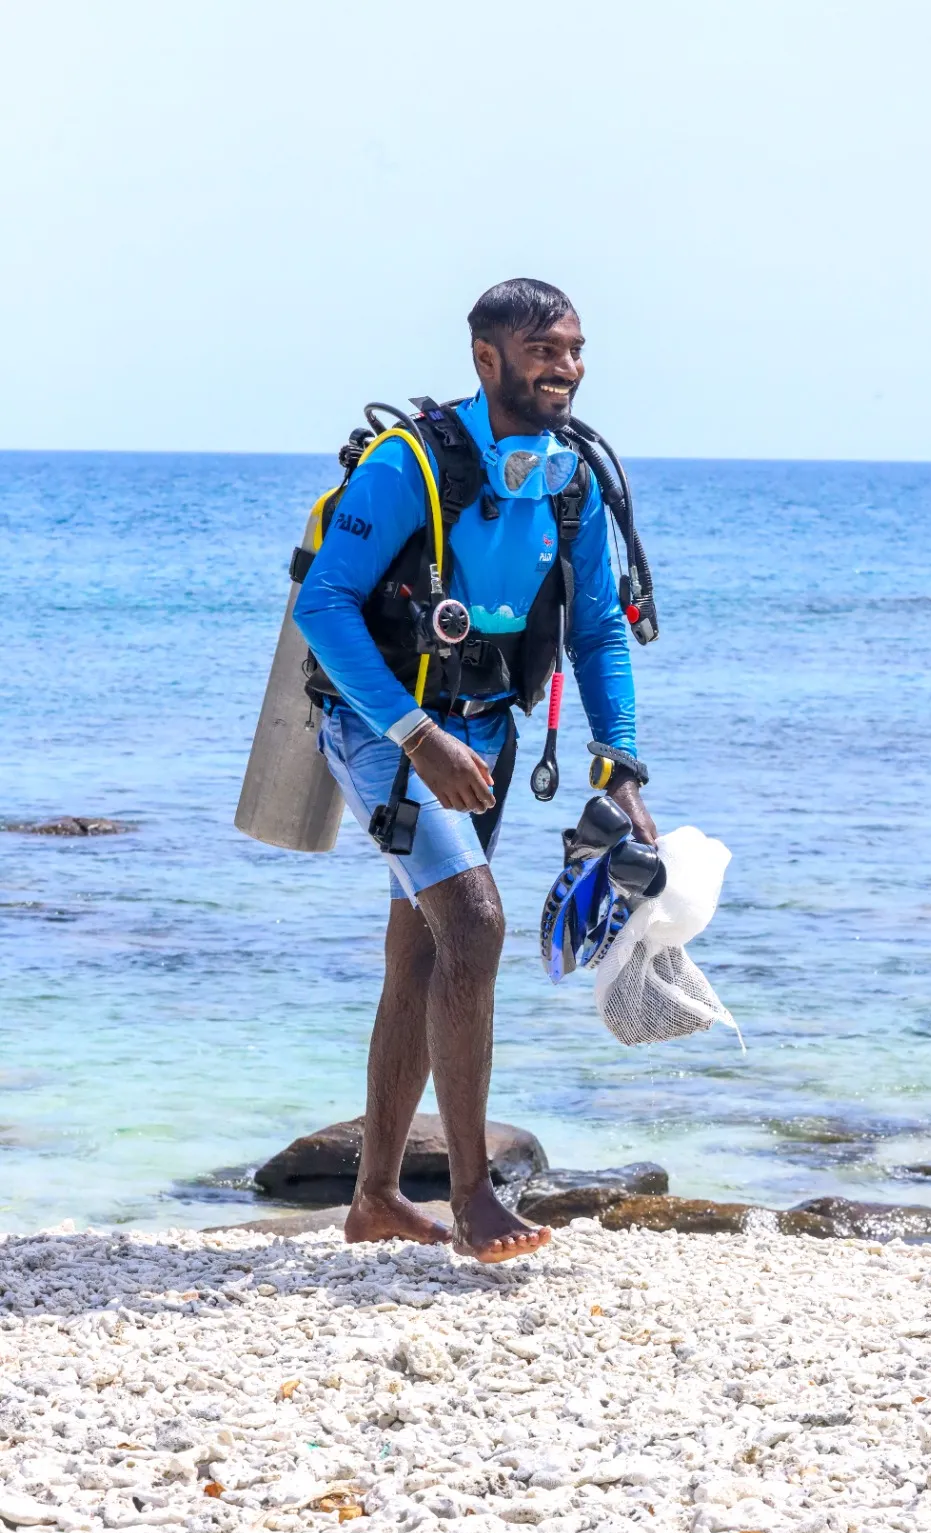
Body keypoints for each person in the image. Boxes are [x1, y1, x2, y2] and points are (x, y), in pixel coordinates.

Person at [293, 278, 655, 1263]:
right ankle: (471, 1198)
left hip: (484, 735)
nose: (567, 369)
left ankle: (372, 1195)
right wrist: (413, 733)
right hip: (385, 728)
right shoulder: (408, 464)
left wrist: (619, 757)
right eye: (545, 352)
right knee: (478, 925)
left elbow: (595, 628)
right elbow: (322, 608)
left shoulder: (570, 478)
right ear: (487, 358)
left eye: (576, 350)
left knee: (422, 949)